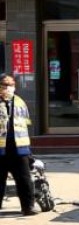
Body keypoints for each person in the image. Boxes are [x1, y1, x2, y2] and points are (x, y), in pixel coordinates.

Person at [0, 74, 37, 216]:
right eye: (4, 85)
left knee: (24, 179)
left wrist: (28, 150)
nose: (7, 88)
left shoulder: (20, 102)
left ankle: (28, 207)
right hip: (1, 148)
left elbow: (26, 124)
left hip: (19, 147)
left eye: (10, 85)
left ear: (14, 87)